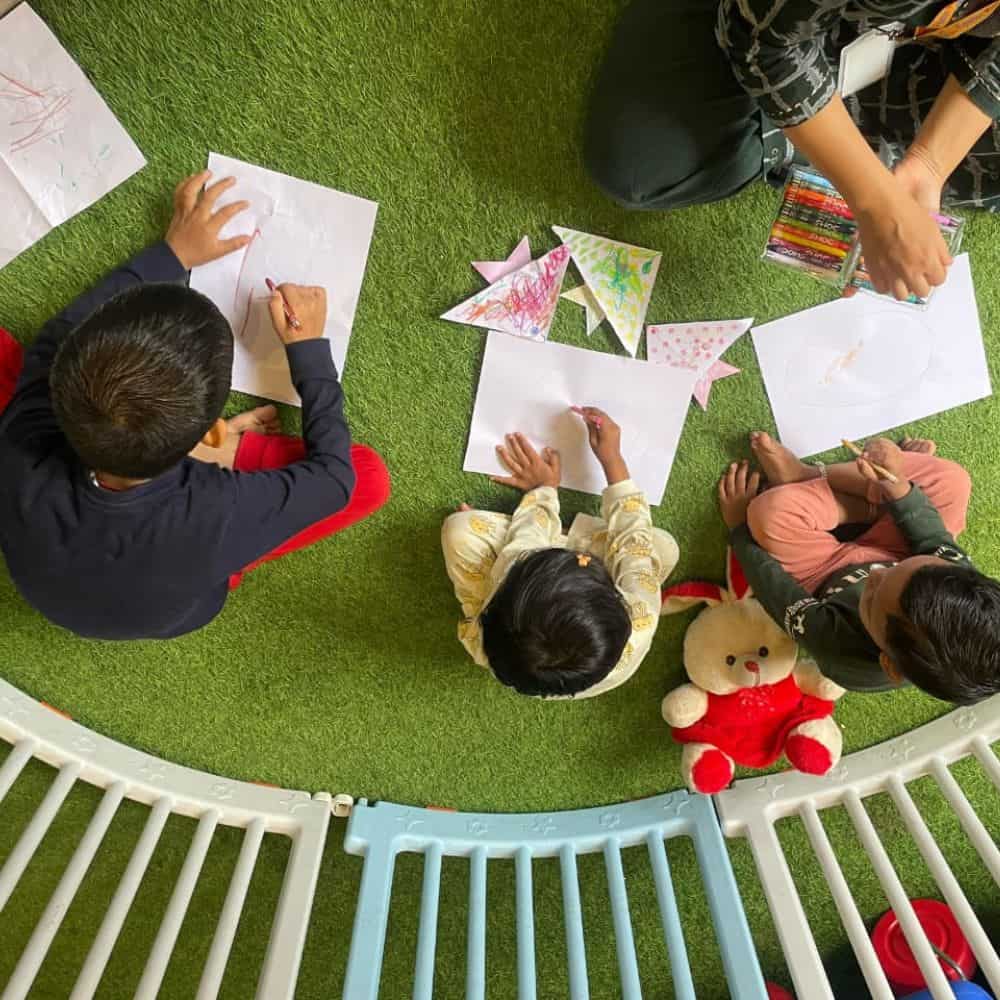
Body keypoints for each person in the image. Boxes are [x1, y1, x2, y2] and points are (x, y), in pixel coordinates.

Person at [0, 170, 390, 640]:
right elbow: (340, 480)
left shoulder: (23, 434)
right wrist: (308, 350)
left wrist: (173, 253)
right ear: (212, 431)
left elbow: (61, 333)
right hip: (174, 595)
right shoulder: (214, 510)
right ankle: (216, 455)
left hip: (50, 577)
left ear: (64, 376)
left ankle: (164, 452)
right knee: (370, 476)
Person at [585, 0, 1000, 300]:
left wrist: (927, 166)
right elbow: (759, 41)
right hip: (768, 24)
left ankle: (815, 133)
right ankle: (801, 130)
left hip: (917, 38)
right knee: (640, 165)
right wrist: (875, 200)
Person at [717, 432, 1000, 703]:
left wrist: (739, 529)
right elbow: (932, 536)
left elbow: (774, 589)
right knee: (952, 481)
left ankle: (864, 501)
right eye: (898, 569)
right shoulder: (959, 581)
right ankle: (808, 475)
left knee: (768, 511)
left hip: (821, 571)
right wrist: (896, 485)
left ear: (888, 663)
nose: (876, 572)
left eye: (872, 597)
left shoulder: (840, 651)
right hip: (896, 546)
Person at [441, 408, 679, 698]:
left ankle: (555, 533)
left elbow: (525, 542)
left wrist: (543, 491)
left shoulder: (505, 591)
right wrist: (613, 460)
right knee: (663, 547)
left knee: (460, 530)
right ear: (618, 602)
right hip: (538, 624)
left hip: (509, 617)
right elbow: (633, 540)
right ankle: (562, 534)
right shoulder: (641, 617)